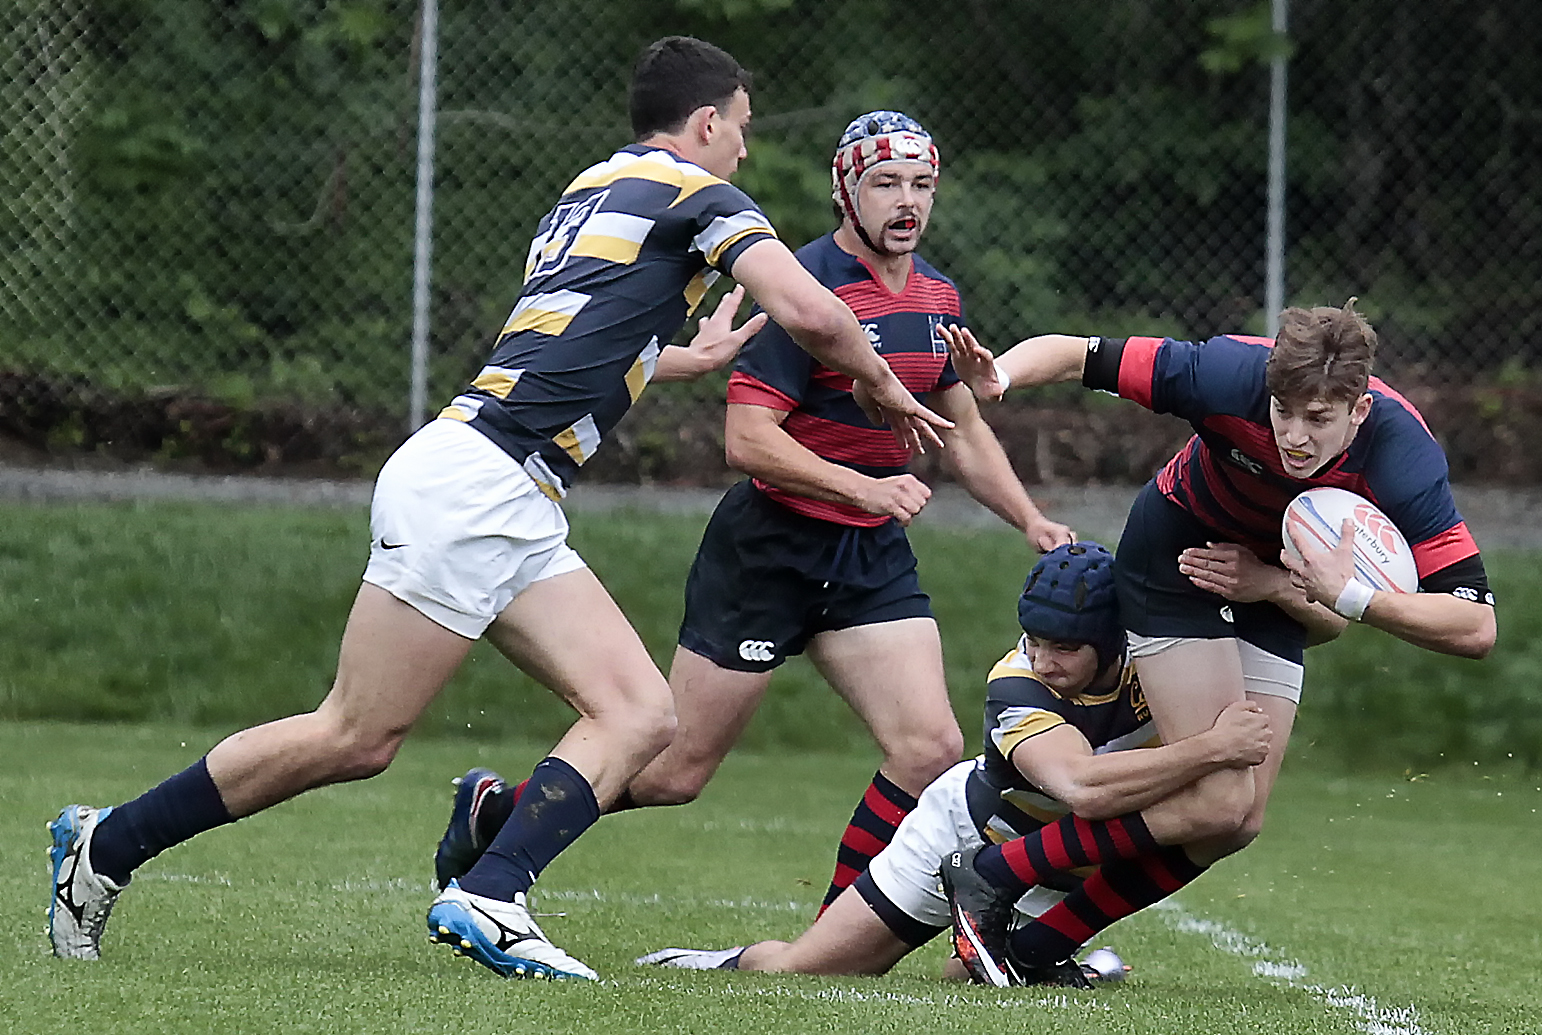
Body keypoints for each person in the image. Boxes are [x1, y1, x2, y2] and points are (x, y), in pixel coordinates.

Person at [46, 36, 951, 982]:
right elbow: (813, 315)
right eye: (743, 130)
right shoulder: (703, 196)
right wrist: (880, 382)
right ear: (708, 122)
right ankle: (115, 847)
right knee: (356, 734)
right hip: (482, 484)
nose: (746, 154)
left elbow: (570, 329)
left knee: (639, 714)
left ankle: (481, 886)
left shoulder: (591, 188)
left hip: (495, 485)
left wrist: (678, 357)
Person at [431, 111, 1074, 919]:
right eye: (885, 183)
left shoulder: (939, 297)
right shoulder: (806, 291)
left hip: (870, 556)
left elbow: (962, 429)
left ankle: (843, 931)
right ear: (846, 191)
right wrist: (866, 489)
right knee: (674, 772)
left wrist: (1030, 520)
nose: (906, 202)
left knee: (930, 749)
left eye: (921, 185)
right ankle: (498, 811)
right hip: (769, 548)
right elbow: (748, 440)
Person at [936, 302, 1498, 984]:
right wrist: (1002, 376)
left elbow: (1475, 626)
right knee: (1218, 801)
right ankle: (992, 874)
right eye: (1282, 411)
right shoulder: (1227, 373)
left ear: (1358, 411)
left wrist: (1342, 595)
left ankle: (1033, 949)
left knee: (1238, 821)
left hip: (1273, 584)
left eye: (1317, 419)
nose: (1293, 435)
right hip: (1177, 560)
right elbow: (1083, 352)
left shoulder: (1403, 456)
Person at [632, 542, 1275, 986]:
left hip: (1067, 862)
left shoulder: (1157, 668)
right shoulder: (1017, 683)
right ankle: (723, 962)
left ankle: (1046, 953)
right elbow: (1082, 788)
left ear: (1112, 643)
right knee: (819, 969)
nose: (1044, 659)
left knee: (970, 982)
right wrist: (1211, 748)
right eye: (1036, 639)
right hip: (969, 836)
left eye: (1066, 648)